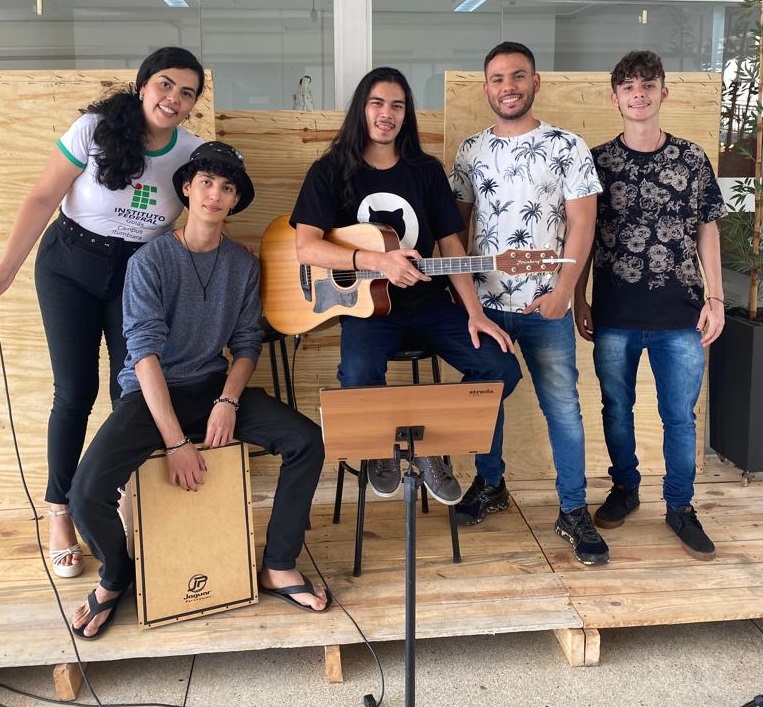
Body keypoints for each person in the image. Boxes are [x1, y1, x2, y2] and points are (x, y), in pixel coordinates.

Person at [67, 141, 330, 639]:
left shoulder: (242, 265)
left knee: (306, 440)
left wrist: (228, 400)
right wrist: (175, 442)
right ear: (187, 188)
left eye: (227, 187)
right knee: (86, 494)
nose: (215, 194)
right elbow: (142, 355)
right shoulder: (150, 261)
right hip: (150, 395)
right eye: (206, 182)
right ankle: (117, 575)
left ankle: (277, 564)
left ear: (234, 201)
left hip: (211, 386)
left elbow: (247, 342)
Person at [0, 46, 206, 578]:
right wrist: (6, 269)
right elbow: (43, 197)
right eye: (165, 84)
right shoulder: (93, 130)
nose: (173, 98)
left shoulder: (192, 151)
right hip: (69, 265)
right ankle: (59, 513)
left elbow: (205, 211)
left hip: (136, 277)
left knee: (130, 391)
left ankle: (119, 499)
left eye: (187, 92)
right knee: (74, 392)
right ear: (143, 85)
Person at [290, 66, 521, 506]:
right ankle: (387, 450)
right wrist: (376, 261)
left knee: (500, 369)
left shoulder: (426, 171)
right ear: (362, 109)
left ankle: (426, 447)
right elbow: (306, 248)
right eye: (377, 103)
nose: (386, 114)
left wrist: (475, 313)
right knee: (357, 378)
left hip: (431, 306)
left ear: (406, 115)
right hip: (370, 312)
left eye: (397, 105)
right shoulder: (331, 170)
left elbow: (452, 243)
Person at [450, 41, 609, 565]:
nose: (508, 87)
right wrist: (468, 301)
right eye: (497, 78)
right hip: (486, 305)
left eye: (518, 76)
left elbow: (583, 224)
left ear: (535, 82)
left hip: (547, 305)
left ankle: (572, 510)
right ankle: (490, 485)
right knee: (483, 399)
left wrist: (564, 292)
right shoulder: (470, 151)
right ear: (486, 87)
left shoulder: (567, 146)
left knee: (562, 408)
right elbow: (457, 230)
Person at [574, 50, 725, 561]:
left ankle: (680, 507)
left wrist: (717, 297)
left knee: (678, 416)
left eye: (647, 85)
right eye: (628, 86)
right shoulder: (596, 163)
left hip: (680, 314)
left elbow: (708, 227)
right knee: (616, 410)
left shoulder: (691, 159)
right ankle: (625, 487)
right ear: (614, 97)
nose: (638, 93)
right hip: (614, 313)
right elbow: (583, 235)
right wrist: (578, 297)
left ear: (664, 92)